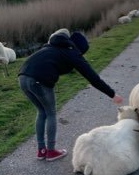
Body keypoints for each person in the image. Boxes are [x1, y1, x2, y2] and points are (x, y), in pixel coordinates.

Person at [18, 28, 123, 162]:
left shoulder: (52, 46)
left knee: (41, 112)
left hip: (22, 77)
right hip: (39, 80)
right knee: (50, 113)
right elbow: (93, 77)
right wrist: (112, 94)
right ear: (79, 48)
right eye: (81, 53)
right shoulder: (72, 52)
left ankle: (41, 150)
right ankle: (51, 152)